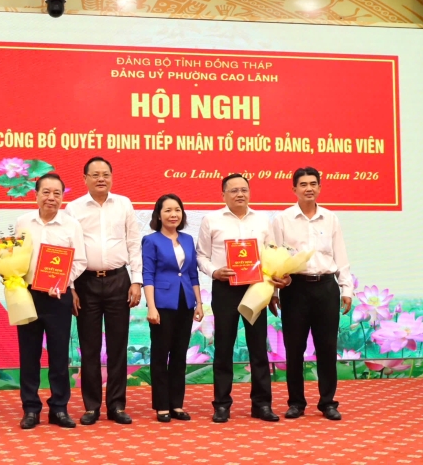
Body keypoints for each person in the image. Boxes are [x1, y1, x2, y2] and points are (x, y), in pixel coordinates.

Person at [196, 174, 286, 423]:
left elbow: (273, 256)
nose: (240, 194)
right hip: (225, 289)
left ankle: (262, 404)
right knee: (224, 347)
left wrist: (274, 292)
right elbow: (201, 256)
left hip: (256, 288)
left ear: (250, 192)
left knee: (258, 348)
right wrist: (215, 271)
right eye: (234, 190)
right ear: (223, 194)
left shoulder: (262, 220)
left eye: (244, 189)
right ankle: (221, 405)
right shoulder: (211, 220)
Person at [270, 166, 353, 421]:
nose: (309, 188)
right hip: (294, 288)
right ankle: (296, 402)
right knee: (294, 348)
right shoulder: (282, 219)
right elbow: (274, 257)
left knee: (327, 347)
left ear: (319, 187)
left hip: (326, 287)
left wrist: (346, 288)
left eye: (313, 184)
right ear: (294, 189)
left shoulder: (331, 218)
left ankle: (328, 402)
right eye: (303, 184)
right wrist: (273, 292)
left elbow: (340, 255)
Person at [65, 157, 141, 426]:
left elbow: (134, 243)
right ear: (84, 178)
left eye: (105, 174)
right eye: (95, 174)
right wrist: (70, 286)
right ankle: (92, 406)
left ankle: (117, 405)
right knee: (89, 347)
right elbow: (68, 248)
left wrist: (137, 281)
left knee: (119, 346)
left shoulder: (124, 204)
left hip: (119, 279)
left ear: (111, 177)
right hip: (85, 282)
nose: (101, 179)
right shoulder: (73, 208)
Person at [15, 173, 87, 429]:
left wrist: (62, 281)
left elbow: (80, 261)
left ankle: (59, 408)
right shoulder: (23, 222)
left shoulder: (71, 225)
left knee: (58, 356)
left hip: (58, 297)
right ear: (36, 195)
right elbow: (14, 256)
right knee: (29, 356)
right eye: (46, 192)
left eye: (57, 193)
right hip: (28, 296)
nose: (51, 198)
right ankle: (30, 409)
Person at [142, 194, 204, 422]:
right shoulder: (151, 240)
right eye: (167, 210)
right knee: (160, 354)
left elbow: (192, 274)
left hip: (185, 302)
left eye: (177, 210)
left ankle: (176, 404)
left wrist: (199, 303)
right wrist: (151, 306)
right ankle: (162, 405)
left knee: (179, 354)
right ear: (159, 215)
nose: (173, 214)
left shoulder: (187, 239)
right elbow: (148, 274)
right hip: (162, 303)